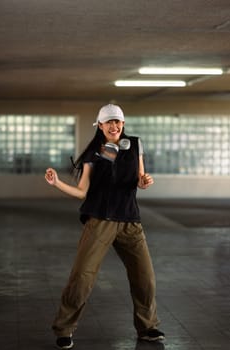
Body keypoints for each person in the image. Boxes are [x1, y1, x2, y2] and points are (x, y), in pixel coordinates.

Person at [45, 104, 165, 349]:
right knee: (82, 278)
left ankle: (147, 327)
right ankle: (64, 329)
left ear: (123, 123)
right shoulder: (94, 153)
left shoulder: (134, 145)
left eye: (118, 121)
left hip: (130, 221)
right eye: (109, 122)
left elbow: (140, 179)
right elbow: (82, 192)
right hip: (100, 220)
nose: (114, 126)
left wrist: (145, 181)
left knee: (146, 278)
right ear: (100, 125)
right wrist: (57, 183)